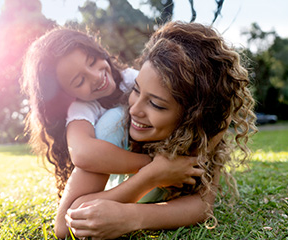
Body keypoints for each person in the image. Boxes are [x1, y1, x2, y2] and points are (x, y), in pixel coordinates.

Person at [61, 21, 257, 239]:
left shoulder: (201, 134)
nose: (134, 109)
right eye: (135, 90)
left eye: (156, 105)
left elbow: (202, 205)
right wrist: (152, 175)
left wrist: (131, 217)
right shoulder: (114, 124)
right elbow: (65, 225)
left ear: (193, 116)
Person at [20, 26, 202, 238]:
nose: (96, 77)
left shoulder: (132, 79)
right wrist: (155, 169)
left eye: (92, 61)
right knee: (112, 121)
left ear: (99, 51)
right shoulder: (84, 109)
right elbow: (83, 153)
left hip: (161, 185)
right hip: (135, 180)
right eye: (79, 81)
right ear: (66, 94)